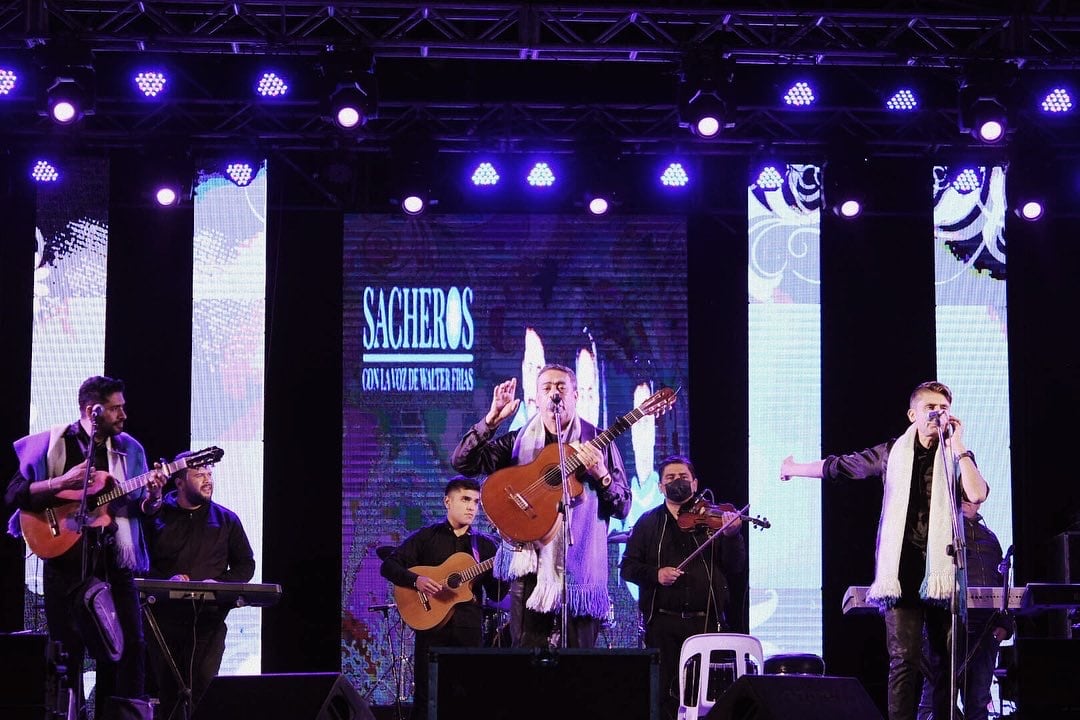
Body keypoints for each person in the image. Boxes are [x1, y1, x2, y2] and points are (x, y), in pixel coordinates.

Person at [780, 380, 989, 720]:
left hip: (943, 572)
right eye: (930, 408)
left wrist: (961, 445)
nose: (938, 414)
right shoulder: (893, 452)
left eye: (943, 408)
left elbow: (977, 494)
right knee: (903, 661)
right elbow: (842, 467)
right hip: (901, 573)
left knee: (946, 664)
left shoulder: (955, 455)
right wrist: (794, 468)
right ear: (913, 415)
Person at [4, 375, 166, 720]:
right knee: (68, 649)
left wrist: (152, 496)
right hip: (65, 562)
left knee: (129, 645)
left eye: (123, 407)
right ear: (93, 411)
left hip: (113, 563)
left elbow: (139, 508)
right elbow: (15, 495)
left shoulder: (131, 449)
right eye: (115, 408)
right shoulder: (51, 443)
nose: (123, 414)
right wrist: (64, 482)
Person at [450, 363, 631, 648]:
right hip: (528, 573)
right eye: (546, 388)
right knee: (527, 669)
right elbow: (463, 462)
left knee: (578, 671)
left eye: (561, 387)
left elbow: (623, 507)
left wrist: (602, 476)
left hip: (580, 576)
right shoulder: (517, 442)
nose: (554, 394)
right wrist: (492, 420)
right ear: (535, 398)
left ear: (575, 396)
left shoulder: (599, 444)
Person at [620, 455, 746, 720]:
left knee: (708, 694)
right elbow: (628, 567)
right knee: (666, 695)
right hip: (664, 624)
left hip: (706, 623)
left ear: (695, 483)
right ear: (660, 487)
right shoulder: (648, 522)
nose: (677, 482)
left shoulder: (715, 519)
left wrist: (733, 536)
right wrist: (656, 574)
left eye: (683, 478)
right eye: (670, 478)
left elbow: (734, 567)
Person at [379, 477, 505, 720]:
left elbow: (497, 593)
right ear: (447, 501)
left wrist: (510, 568)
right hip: (431, 631)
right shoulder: (426, 537)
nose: (472, 507)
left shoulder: (486, 546)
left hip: (468, 630)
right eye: (465, 499)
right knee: (428, 698)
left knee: (467, 697)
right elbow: (389, 566)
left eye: (476, 502)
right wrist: (417, 581)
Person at [143, 453, 255, 720]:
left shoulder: (227, 520)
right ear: (179, 482)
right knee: (169, 693)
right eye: (199, 474)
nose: (208, 480)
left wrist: (219, 584)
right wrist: (164, 582)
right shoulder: (157, 516)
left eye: (209, 474)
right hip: (163, 623)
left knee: (202, 690)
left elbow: (245, 566)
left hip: (208, 622)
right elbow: (137, 563)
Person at [917, 497, 1013, 720]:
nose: (973, 504)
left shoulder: (990, 537)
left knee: (978, 699)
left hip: (985, 626)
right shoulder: (940, 531)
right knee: (934, 697)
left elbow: (1001, 584)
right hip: (947, 622)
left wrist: (1004, 624)